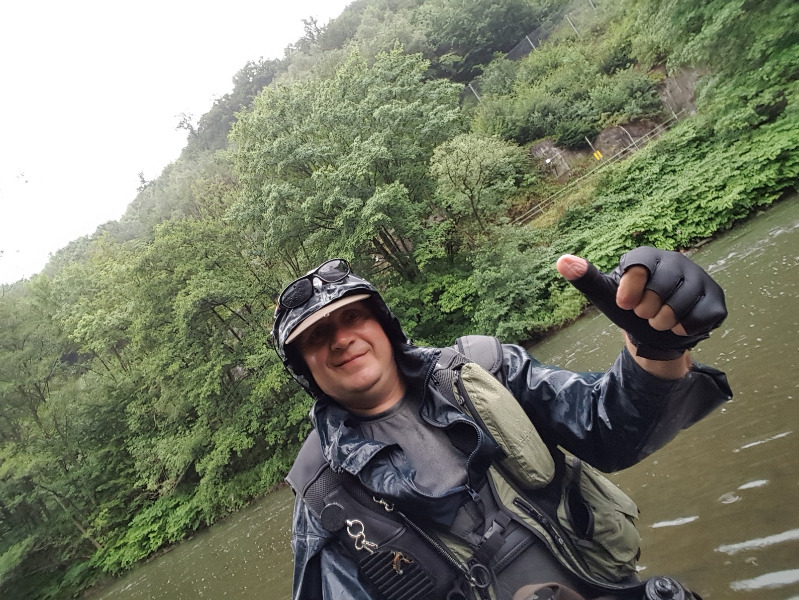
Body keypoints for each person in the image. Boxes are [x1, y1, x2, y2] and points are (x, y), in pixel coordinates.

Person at [274, 248, 732, 600]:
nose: (341, 339)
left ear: (383, 324)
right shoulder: (320, 495)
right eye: (317, 336)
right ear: (304, 369)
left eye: (353, 316)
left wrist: (656, 352)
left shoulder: (485, 369)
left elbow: (609, 429)